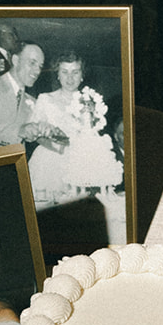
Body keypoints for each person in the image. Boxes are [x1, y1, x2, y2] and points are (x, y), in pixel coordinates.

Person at [26, 52, 123, 215]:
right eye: (64, 72)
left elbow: (93, 136)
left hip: (82, 161)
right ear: (57, 74)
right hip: (50, 161)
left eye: (75, 72)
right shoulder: (45, 99)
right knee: (48, 213)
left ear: (82, 75)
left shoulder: (90, 101)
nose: (69, 78)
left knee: (79, 213)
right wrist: (59, 147)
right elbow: (36, 135)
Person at [0, 36, 69, 155]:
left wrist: (51, 133)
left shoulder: (33, 102)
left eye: (40, 66)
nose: (37, 71)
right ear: (15, 60)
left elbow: (40, 139)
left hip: (16, 170)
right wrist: (19, 131)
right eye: (32, 63)